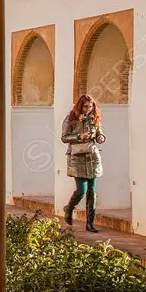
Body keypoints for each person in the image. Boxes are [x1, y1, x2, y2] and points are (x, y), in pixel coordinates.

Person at [61, 94, 106, 233]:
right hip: (78, 157)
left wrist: (100, 137)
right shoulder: (71, 119)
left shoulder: (94, 118)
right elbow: (64, 137)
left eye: (91, 106)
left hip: (92, 156)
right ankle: (69, 208)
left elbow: (100, 133)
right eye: (86, 106)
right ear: (80, 106)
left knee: (92, 191)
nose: (88, 109)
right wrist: (79, 136)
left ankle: (90, 223)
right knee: (81, 190)